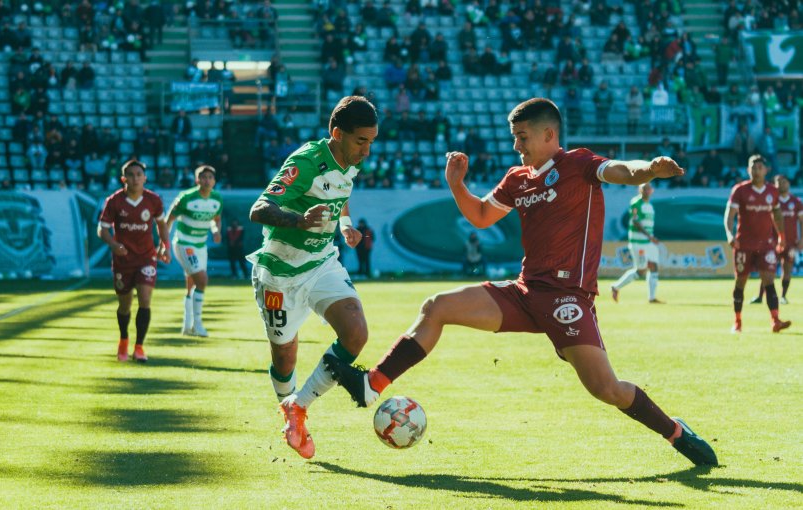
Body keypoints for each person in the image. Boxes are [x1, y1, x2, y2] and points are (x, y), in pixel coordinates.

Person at [325, 98, 718, 467]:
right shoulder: (518, 179)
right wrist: (456, 184)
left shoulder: (579, 164)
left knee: (607, 389)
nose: (516, 146)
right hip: (525, 292)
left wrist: (649, 169)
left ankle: (676, 432)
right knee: (436, 306)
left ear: (549, 135)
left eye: (522, 137)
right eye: (514, 137)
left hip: (568, 298)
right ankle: (371, 385)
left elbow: (622, 171)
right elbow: (480, 216)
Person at [247, 96, 377, 459]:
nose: (367, 150)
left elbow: (342, 194)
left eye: (372, 141)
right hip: (279, 273)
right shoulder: (306, 162)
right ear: (337, 133)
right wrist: (299, 220)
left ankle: (299, 407)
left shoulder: (350, 161)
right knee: (285, 356)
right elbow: (258, 209)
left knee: (356, 332)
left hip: (321, 262)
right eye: (361, 141)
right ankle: (287, 408)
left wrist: (346, 225)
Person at [97, 160, 171, 362]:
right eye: (131, 174)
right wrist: (113, 244)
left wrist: (165, 245)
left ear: (145, 178)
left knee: (145, 300)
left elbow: (162, 225)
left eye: (139, 174)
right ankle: (123, 340)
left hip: (147, 257)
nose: (135, 178)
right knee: (124, 305)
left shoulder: (153, 200)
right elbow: (101, 229)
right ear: (123, 179)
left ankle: (139, 347)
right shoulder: (114, 201)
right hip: (123, 259)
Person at [724, 155, 791, 333]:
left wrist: (781, 236)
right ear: (748, 170)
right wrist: (730, 234)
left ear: (766, 170)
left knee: (769, 279)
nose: (756, 170)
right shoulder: (740, 190)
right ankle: (737, 322)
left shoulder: (772, 191)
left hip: (766, 245)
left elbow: (777, 215)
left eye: (759, 167)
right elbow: (729, 215)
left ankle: (775, 320)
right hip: (743, 244)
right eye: (753, 167)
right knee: (740, 282)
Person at [165, 165, 223, 337]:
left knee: (191, 283)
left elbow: (216, 219)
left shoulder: (217, 199)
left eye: (210, 177)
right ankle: (198, 324)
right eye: (203, 177)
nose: (207, 180)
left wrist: (215, 230)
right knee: (202, 279)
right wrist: (164, 243)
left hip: (201, 245)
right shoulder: (186, 197)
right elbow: (169, 219)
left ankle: (187, 325)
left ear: (214, 181)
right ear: (197, 180)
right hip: (184, 243)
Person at [750, 174, 803, 305]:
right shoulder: (771, 200)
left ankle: (783, 296)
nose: (781, 184)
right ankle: (760, 296)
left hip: (791, 243)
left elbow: (802, 222)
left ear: (788, 184)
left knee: (787, 269)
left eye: (784, 181)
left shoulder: (796, 202)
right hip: (771, 242)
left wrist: (802, 240)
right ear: (774, 185)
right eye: (778, 182)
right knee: (766, 270)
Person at [611, 183, 663, 303]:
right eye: (644, 188)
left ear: (652, 191)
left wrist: (651, 237)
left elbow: (648, 224)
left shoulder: (650, 205)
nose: (646, 191)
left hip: (648, 241)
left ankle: (652, 297)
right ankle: (616, 287)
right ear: (640, 190)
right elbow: (635, 222)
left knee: (654, 266)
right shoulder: (636, 203)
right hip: (638, 242)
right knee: (641, 270)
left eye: (648, 188)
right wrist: (650, 236)